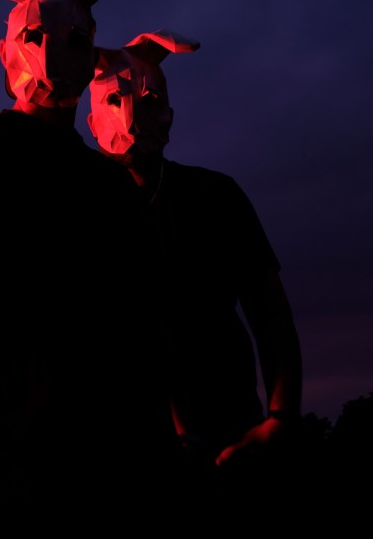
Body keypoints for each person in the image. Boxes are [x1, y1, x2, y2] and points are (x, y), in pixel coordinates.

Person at [0, 0, 190, 537]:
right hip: (25, 468)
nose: (53, 52)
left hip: (132, 466)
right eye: (35, 36)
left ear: (93, 56)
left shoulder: (111, 184)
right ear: (7, 50)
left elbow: (146, 320)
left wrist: (179, 435)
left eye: (74, 40)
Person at [87, 29, 304, 525]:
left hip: (236, 444)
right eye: (114, 100)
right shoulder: (82, 213)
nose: (130, 115)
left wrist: (281, 418)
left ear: (168, 112)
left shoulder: (215, 195)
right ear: (92, 118)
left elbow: (271, 313)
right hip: (126, 467)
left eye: (147, 100)